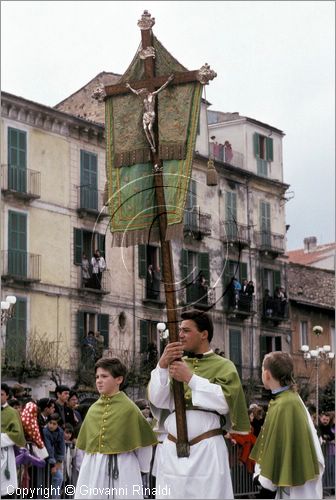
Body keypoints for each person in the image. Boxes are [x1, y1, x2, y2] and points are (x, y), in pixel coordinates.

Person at [148, 309, 250, 499]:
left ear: (204, 334)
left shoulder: (224, 366)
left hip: (206, 451)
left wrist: (191, 378)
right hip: (173, 451)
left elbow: (224, 402)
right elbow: (157, 399)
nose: (180, 335)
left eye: (186, 330)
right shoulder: (175, 363)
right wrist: (161, 366)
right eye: (179, 330)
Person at [74, 357, 157, 499]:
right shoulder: (93, 409)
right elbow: (84, 447)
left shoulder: (130, 409)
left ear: (119, 379)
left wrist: (142, 469)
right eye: (97, 377)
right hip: (93, 470)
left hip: (124, 469)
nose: (99, 380)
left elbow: (144, 446)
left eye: (104, 376)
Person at [250, 351, 324, 499]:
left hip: (293, 489)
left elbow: (278, 446)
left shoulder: (286, 403)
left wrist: (265, 483)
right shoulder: (287, 398)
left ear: (267, 374)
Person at [126, 74, 174, 153]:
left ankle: (154, 145)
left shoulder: (152, 94)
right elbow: (136, 92)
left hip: (151, 113)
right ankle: (151, 145)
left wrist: (168, 81)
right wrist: (129, 87)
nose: (141, 94)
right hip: (145, 114)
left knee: (149, 128)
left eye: (142, 92)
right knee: (145, 129)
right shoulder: (143, 98)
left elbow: (161, 88)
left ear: (145, 92)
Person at [1, 383, 26, 498]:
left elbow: (17, 434)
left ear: (6, 396)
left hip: (5, 453)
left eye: (1, 394)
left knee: (5, 489)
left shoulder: (12, 412)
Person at [43, 413, 65, 499]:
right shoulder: (45, 431)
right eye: (50, 423)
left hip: (54, 459)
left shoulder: (60, 431)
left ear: (58, 425)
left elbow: (61, 448)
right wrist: (53, 465)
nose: (51, 425)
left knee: (57, 478)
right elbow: (48, 448)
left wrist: (59, 462)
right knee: (57, 478)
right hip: (45, 458)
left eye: (54, 424)